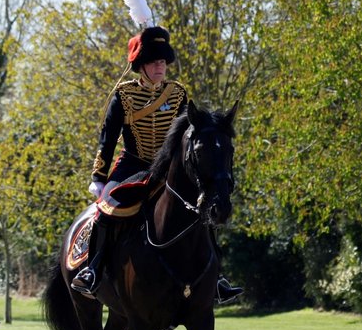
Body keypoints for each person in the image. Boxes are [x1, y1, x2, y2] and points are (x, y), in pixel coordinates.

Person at [70, 23, 243, 303]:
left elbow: (188, 132)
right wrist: (99, 177)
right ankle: (93, 269)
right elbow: (108, 138)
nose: (160, 67)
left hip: (167, 167)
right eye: (154, 62)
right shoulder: (123, 96)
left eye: (163, 61)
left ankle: (216, 278)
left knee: (202, 207)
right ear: (142, 66)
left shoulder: (177, 94)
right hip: (131, 164)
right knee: (105, 209)